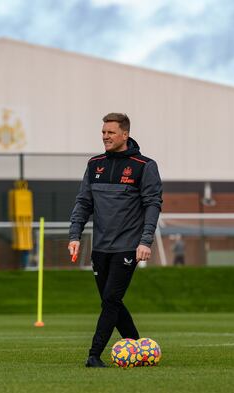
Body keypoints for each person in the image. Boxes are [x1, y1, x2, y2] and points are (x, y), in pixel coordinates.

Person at [68, 113, 163, 368]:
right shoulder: (94, 164)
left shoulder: (144, 165)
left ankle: (94, 354)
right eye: (103, 132)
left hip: (128, 247)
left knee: (110, 299)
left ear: (124, 134)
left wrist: (145, 241)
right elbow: (83, 203)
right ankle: (138, 347)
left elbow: (153, 205)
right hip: (100, 248)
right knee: (112, 301)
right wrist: (74, 235)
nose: (105, 137)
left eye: (110, 132)